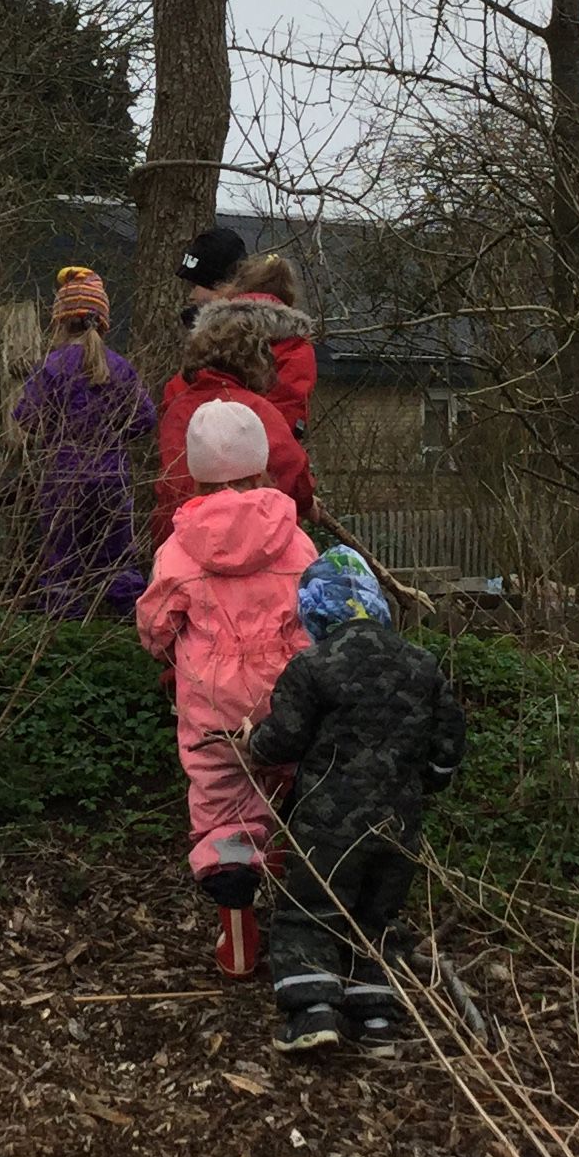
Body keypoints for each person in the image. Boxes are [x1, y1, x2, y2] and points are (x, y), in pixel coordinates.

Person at [247, 547, 468, 1058]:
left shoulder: (313, 666)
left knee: (311, 910)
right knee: (377, 914)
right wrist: (430, 780)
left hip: (329, 820)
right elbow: (450, 736)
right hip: (400, 822)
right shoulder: (421, 663)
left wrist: (251, 744)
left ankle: (312, 1013)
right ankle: (377, 1020)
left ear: (315, 610)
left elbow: (282, 740)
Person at [136, 398, 318, 980]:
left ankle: (238, 940)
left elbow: (154, 626)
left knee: (224, 815)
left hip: (214, 709)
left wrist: (178, 646)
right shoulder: (295, 541)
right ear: (260, 461)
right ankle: (303, 901)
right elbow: (316, 618)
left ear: (195, 469)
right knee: (301, 791)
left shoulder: (181, 546)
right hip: (289, 699)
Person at [10, 267, 158, 619]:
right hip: (112, 477)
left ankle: (62, 629)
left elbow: (25, 416)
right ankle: (132, 624)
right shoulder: (119, 367)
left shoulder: (53, 366)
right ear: (103, 323)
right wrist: (115, 434)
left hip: (63, 477)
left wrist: (56, 430)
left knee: (61, 557)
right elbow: (146, 418)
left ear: (60, 322)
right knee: (118, 556)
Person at [152, 313, 312, 547]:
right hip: (249, 539)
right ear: (255, 362)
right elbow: (292, 468)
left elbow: (171, 480)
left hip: (181, 535)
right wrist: (306, 502)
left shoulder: (178, 408)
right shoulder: (256, 409)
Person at [177, 226, 319, 443]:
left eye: (198, 285)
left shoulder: (222, 338)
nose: (191, 295)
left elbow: (180, 405)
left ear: (224, 287)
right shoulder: (295, 346)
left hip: (229, 465)